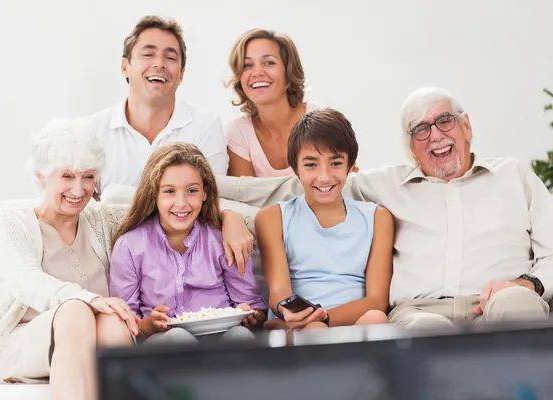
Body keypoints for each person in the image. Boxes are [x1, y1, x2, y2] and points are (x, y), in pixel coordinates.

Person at [218, 87, 553, 329]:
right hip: (419, 312)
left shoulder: (515, 176)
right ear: (409, 146)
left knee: (517, 304)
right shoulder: (384, 185)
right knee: (424, 331)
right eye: (421, 128)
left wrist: (529, 283)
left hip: (498, 301)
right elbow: (292, 188)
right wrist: (208, 194)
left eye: (445, 121)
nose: (435, 135)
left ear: (466, 126)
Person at [0, 119, 139, 400]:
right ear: (41, 175)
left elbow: (164, 196)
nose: (79, 189)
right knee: (75, 310)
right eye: (67, 176)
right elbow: (26, 280)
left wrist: (231, 218)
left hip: (90, 337)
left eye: (88, 176)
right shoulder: (11, 223)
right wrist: (90, 299)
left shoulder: (102, 218)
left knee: (112, 320)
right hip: (22, 345)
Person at [109, 143, 267, 343]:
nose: (181, 202)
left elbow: (254, 306)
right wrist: (147, 325)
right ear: (153, 193)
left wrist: (250, 316)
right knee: (178, 338)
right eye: (169, 191)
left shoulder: (223, 239)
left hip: (221, 338)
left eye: (192, 190)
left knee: (241, 336)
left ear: (205, 193)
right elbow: (125, 320)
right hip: (166, 342)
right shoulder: (130, 246)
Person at [256, 108, 392, 330]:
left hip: (352, 322)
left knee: (376, 318)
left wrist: (324, 318)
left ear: (350, 166)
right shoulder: (273, 217)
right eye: (311, 164)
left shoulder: (377, 218)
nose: (324, 176)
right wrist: (292, 313)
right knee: (315, 330)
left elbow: (377, 301)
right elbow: (279, 292)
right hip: (300, 325)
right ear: (296, 169)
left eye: (336, 163)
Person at [88, 15, 228, 194]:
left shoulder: (205, 126)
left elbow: (209, 200)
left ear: (181, 74)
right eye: (148, 54)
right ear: (125, 67)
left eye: (170, 57)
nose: (159, 63)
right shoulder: (94, 130)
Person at [225, 29, 323, 178]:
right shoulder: (238, 132)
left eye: (269, 62)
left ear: (288, 70)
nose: (257, 72)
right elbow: (244, 196)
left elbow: (344, 185)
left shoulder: (324, 120)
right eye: (247, 65)